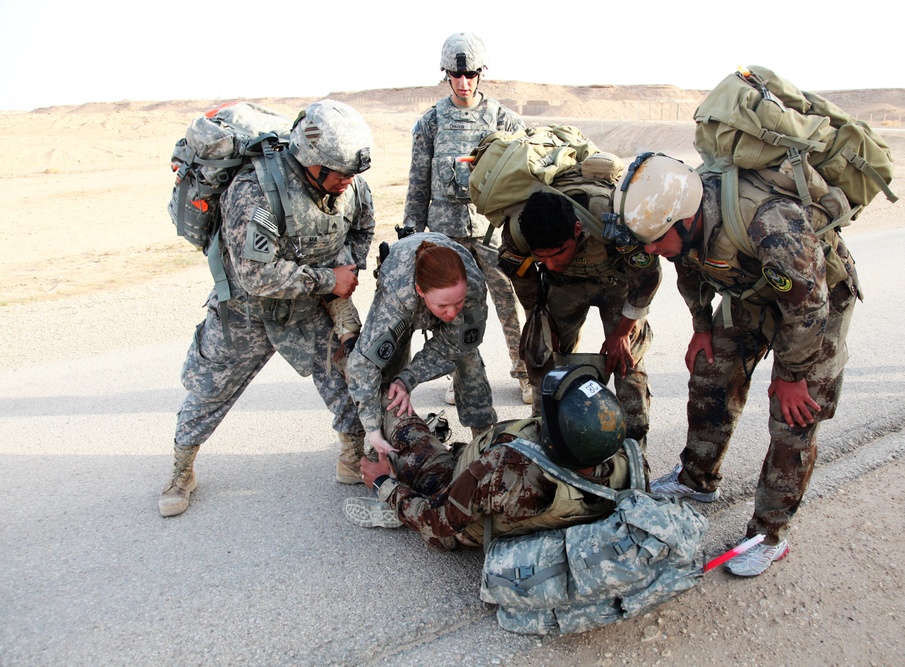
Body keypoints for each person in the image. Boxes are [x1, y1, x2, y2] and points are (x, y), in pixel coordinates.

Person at [624, 154, 860, 577]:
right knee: (711, 371)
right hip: (753, 293)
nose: (650, 250)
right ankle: (696, 478)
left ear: (686, 221)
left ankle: (768, 535)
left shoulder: (771, 225)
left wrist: (790, 376)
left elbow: (809, 305)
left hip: (816, 306)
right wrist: (701, 326)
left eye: (657, 239)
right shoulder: (680, 226)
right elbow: (688, 270)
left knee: (794, 419)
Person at [159, 100, 376, 517]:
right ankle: (180, 470)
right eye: (340, 173)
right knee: (209, 390)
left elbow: (362, 225)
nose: (349, 181)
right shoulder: (255, 191)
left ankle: (353, 457)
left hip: (311, 306)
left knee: (351, 377)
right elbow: (256, 277)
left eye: (353, 173)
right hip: (247, 311)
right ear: (312, 162)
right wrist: (330, 280)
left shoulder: (350, 183)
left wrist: (346, 268)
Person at [342, 365, 642, 550]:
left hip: (456, 517)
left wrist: (383, 484)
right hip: (498, 503)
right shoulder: (627, 461)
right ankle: (414, 468)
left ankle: (403, 493)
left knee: (391, 404)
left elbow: (438, 523)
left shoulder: (503, 469)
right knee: (447, 454)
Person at [402, 32, 531, 405]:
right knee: (452, 307)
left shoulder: (504, 121)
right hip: (446, 234)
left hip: (492, 232)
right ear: (446, 75)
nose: (463, 83)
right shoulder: (430, 123)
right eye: (455, 76)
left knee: (509, 301)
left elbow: (522, 178)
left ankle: (524, 372)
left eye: (470, 75)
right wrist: (411, 231)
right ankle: (460, 373)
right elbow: (417, 181)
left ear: (481, 74)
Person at [503, 189, 662, 451]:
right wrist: (540, 318)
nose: (551, 264)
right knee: (541, 354)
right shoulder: (517, 234)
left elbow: (648, 277)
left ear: (577, 229)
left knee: (626, 363)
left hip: (618, 284)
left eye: (558, 253)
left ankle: (633, 449)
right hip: (565, 286)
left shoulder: (612, 221)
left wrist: (622, 332)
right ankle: (548, 437)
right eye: (541, 258)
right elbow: (523, 279)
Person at [346, 232, 495, 460]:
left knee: (468, 360)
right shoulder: (398, 294)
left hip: (442, 268)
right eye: (443, 305)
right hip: (403, 282)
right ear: (420, 292)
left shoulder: (473, 286)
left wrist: (410, 378)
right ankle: (384, 445)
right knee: (389, 370)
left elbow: (455, 346)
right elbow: (362, 365)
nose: (453, 312)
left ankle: (485, 441)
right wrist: (373, 430)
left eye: (458, 302)